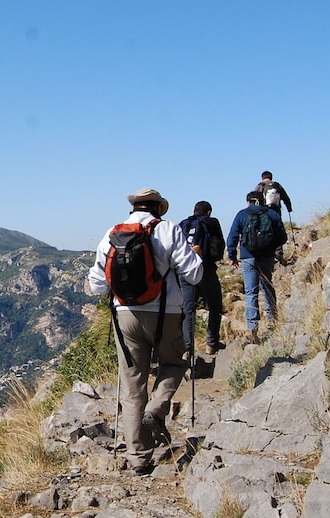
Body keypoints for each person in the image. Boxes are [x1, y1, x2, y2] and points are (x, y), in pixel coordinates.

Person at [88, 188, 204, 475]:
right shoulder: (167, 230)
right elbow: (194, 274)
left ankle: (138, 457)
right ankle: (156, 409)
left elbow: (97, 284)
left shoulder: (113, 233)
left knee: (131, 385)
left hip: (125, 315)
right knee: (175, 363)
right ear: (159, 209)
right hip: (166, 313)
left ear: (133, 208)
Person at [226, 191, 287, 344]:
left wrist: (232, 256)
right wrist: (271, 247)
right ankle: (273, 322)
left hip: (248, 257)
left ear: (248, 202)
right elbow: (283, 237)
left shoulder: (241, 215)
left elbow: (232, 237)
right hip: (267, 257)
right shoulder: (272, 214)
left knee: (251, 292)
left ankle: (253, 329)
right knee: (267, 286)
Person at [178, 201, 226, 357]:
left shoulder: (183, 224)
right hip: (206, 269)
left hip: (185, 271)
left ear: (194, 210)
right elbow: (219, 246)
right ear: (209, 212)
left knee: (188, 310)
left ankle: (187, 348)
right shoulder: (212, 222)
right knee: (215, 305)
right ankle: (211, 344)